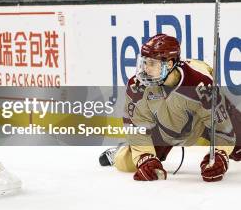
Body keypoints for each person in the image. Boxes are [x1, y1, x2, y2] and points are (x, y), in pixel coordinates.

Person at [99, 34, 241, 182]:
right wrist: (145, 158)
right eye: (144, 62)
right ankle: (119, 152)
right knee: (132, 164)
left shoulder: (201, 85)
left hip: (200, 123)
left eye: (151, 63)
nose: (145, 68)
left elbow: (222, 128)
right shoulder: (137, 87)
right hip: (165, 128)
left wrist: (219, 156)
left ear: (169, 64)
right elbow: (136, 127)